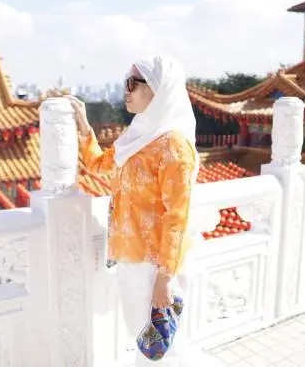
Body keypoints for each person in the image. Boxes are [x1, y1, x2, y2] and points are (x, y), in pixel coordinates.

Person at [69, 55, 225, 366]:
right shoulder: (140, 137)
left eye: (133, 83)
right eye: (125, 83)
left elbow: (177, 216)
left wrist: (165, 277)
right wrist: (84, 126)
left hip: (156, 266)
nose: (126, 90)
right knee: (147, 346)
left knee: (163, 350)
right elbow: (101, 164)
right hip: (132, 258)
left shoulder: (174, 148)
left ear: (158, 89)